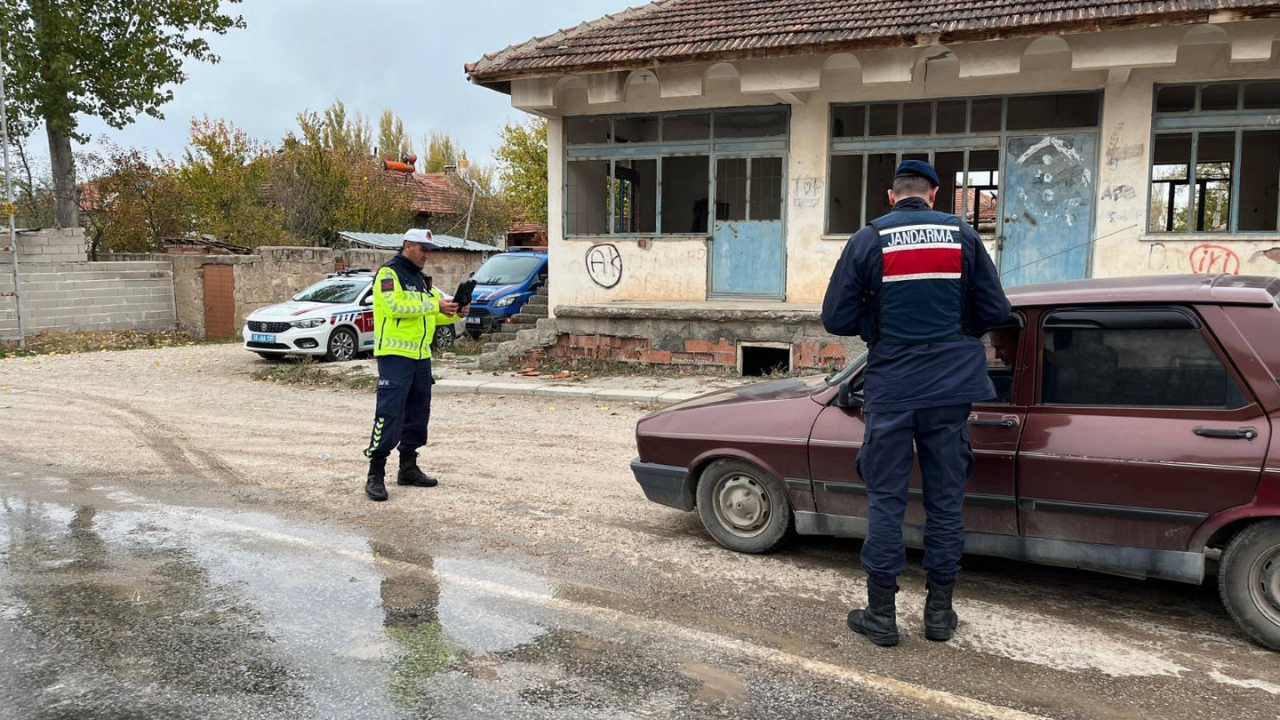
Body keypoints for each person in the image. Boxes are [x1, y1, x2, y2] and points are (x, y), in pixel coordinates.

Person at [821, 160, 1011, 647]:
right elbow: (994, 311)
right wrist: (954, 333)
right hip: (950, 389)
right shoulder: (963, 235)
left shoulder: (869, 238)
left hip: (892, 387)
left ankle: (881, 617)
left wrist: (877, 325)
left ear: (892, 196)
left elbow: (836, 318)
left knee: (886, 500)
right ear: (934, 195)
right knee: (946, 501)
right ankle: (939, 616)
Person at [363, 229, 467, 502]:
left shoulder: (421, 280)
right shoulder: (389, 274)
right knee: (389, 413)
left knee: (418, 413)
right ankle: (375, 473)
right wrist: (434, 305)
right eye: (423, 248)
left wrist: (452, 311)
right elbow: (395, 306)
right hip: (395, 356)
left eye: (429, 250)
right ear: (407, 245)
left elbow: (429, 317)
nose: (427, 254)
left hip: (421, 357)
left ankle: (408, 467)